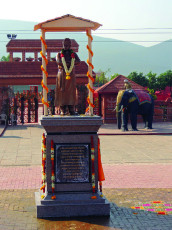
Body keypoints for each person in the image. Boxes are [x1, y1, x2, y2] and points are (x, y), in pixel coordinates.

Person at [55, 38, 81, 115]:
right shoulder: (59, 54)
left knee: (71, 92)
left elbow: (78, 61)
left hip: (71, 75)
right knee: (62, 91)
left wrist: (70, 63)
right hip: (62, 74)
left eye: (67, 45)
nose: (66, 47)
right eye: (64, 45)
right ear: (63, 45)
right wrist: (66, 63)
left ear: (70, 45)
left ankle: (71, 109)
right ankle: (63, 110)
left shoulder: (73, 54)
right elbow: (58, 62)